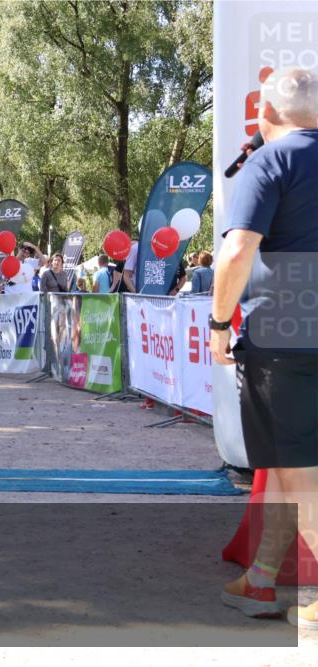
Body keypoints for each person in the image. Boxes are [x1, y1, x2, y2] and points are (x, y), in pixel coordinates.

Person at [211, 67, 318, 628]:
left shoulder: (269, 162)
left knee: (295, 470)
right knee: (284, 466)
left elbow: (235, 254)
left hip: (287, 338)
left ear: (266, 113)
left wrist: (218, 322)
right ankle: (262, 580)